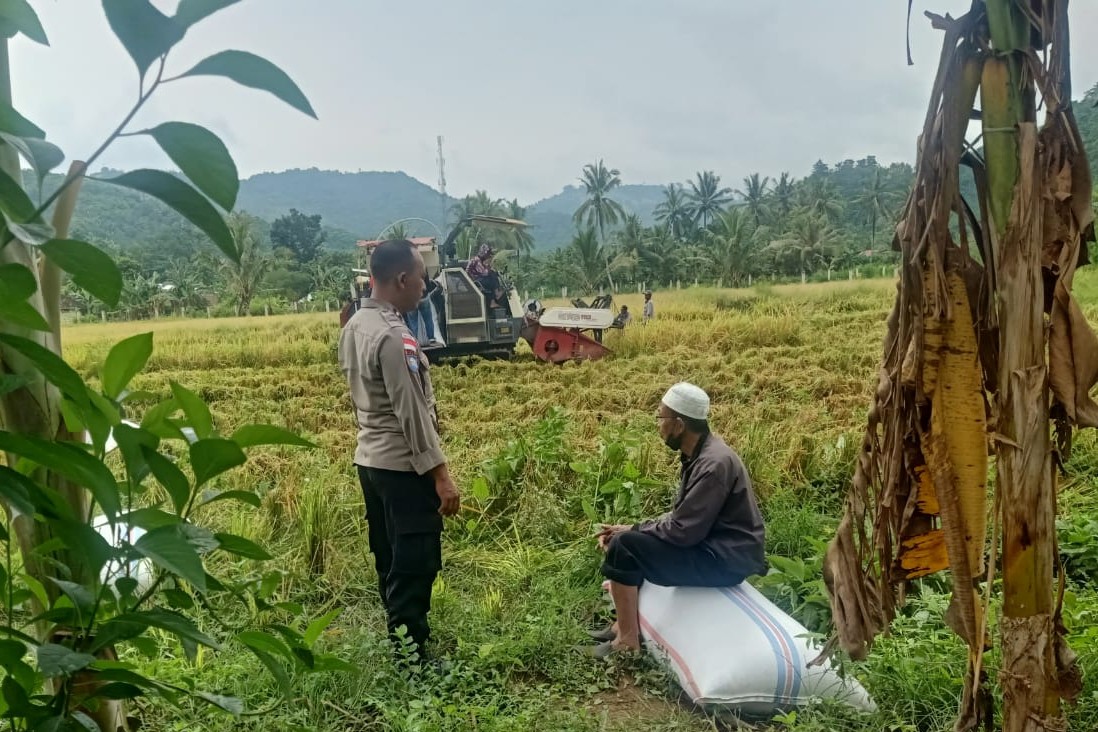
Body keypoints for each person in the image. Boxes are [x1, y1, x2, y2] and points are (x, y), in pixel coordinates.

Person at [337, 239, 461, 662]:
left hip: (369, 461)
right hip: (402, 467)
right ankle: (413, 657)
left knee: (388, 553)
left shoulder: (356, 325)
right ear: (402, 279)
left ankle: (401, 640)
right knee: (415, 558)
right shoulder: (393, 336)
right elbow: (412, 414)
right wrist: (441, 476)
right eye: (422, 279)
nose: (424, 288)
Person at [589, 382, 766, 658]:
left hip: (723, 560)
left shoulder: (713, 465)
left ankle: (626, 644)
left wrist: (633, 534)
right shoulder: (701, 455)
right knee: (628, 539)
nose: (658, 424)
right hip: (713, 547)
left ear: (680, 425)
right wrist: (633, 528)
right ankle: (620, 627)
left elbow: (683, 531)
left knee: (626, 547)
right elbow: (684, 517)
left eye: (661, 417)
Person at [465, 243, 506, 308]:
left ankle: (495, 297)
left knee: (492, 275)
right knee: (491, 276)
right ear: (484, 253)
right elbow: (485, 273)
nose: (488, 255)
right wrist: (489, 266)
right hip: (476, 280)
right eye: (487, 254)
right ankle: (496, 295)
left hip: (478, 278)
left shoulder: (479, 260)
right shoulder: (477, 260)